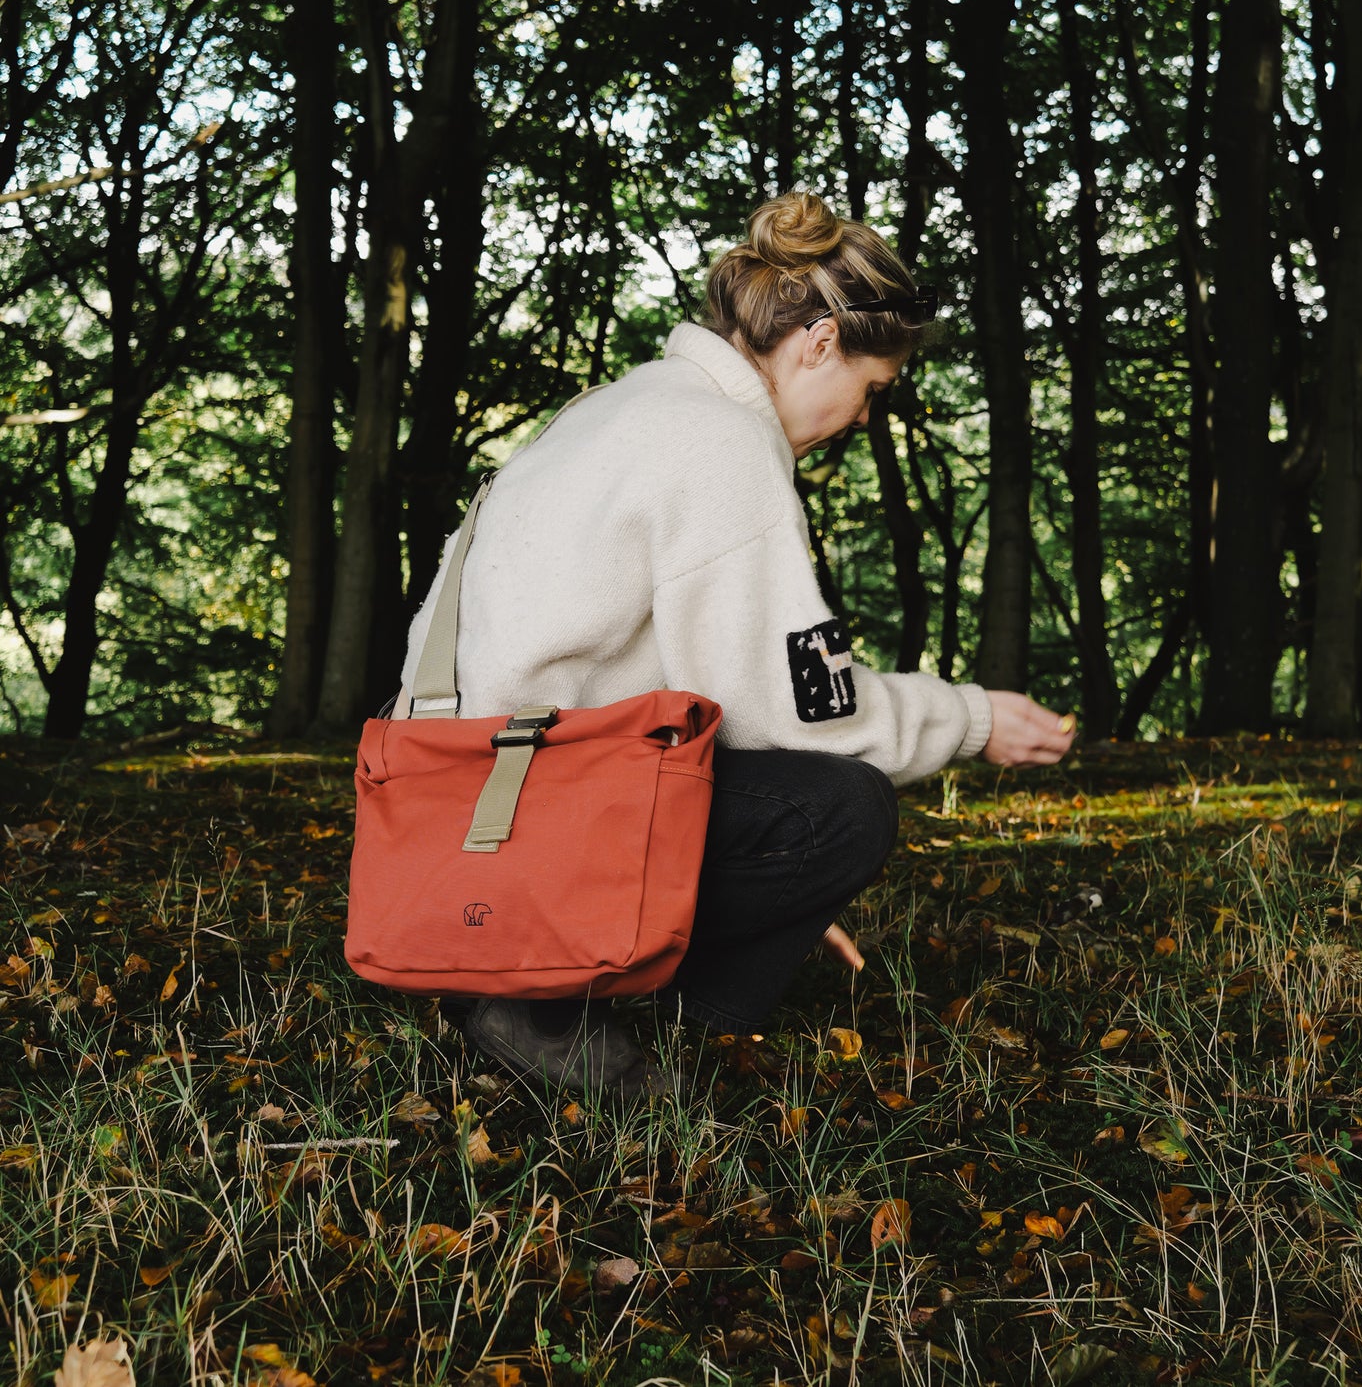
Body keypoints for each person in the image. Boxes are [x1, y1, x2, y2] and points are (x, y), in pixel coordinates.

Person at [398, 191, 1075, 1097]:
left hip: (445, 813)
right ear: (821, 342)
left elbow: (701, 695)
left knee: (794, 812)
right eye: (872, 388)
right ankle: (568, 1009)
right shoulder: (719, 443)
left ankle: (574, 976)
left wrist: (764, 898)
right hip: (527, 829)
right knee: (843, 807)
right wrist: (972, 720)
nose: (865, 417)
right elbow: (805, 721)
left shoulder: (625, 406)